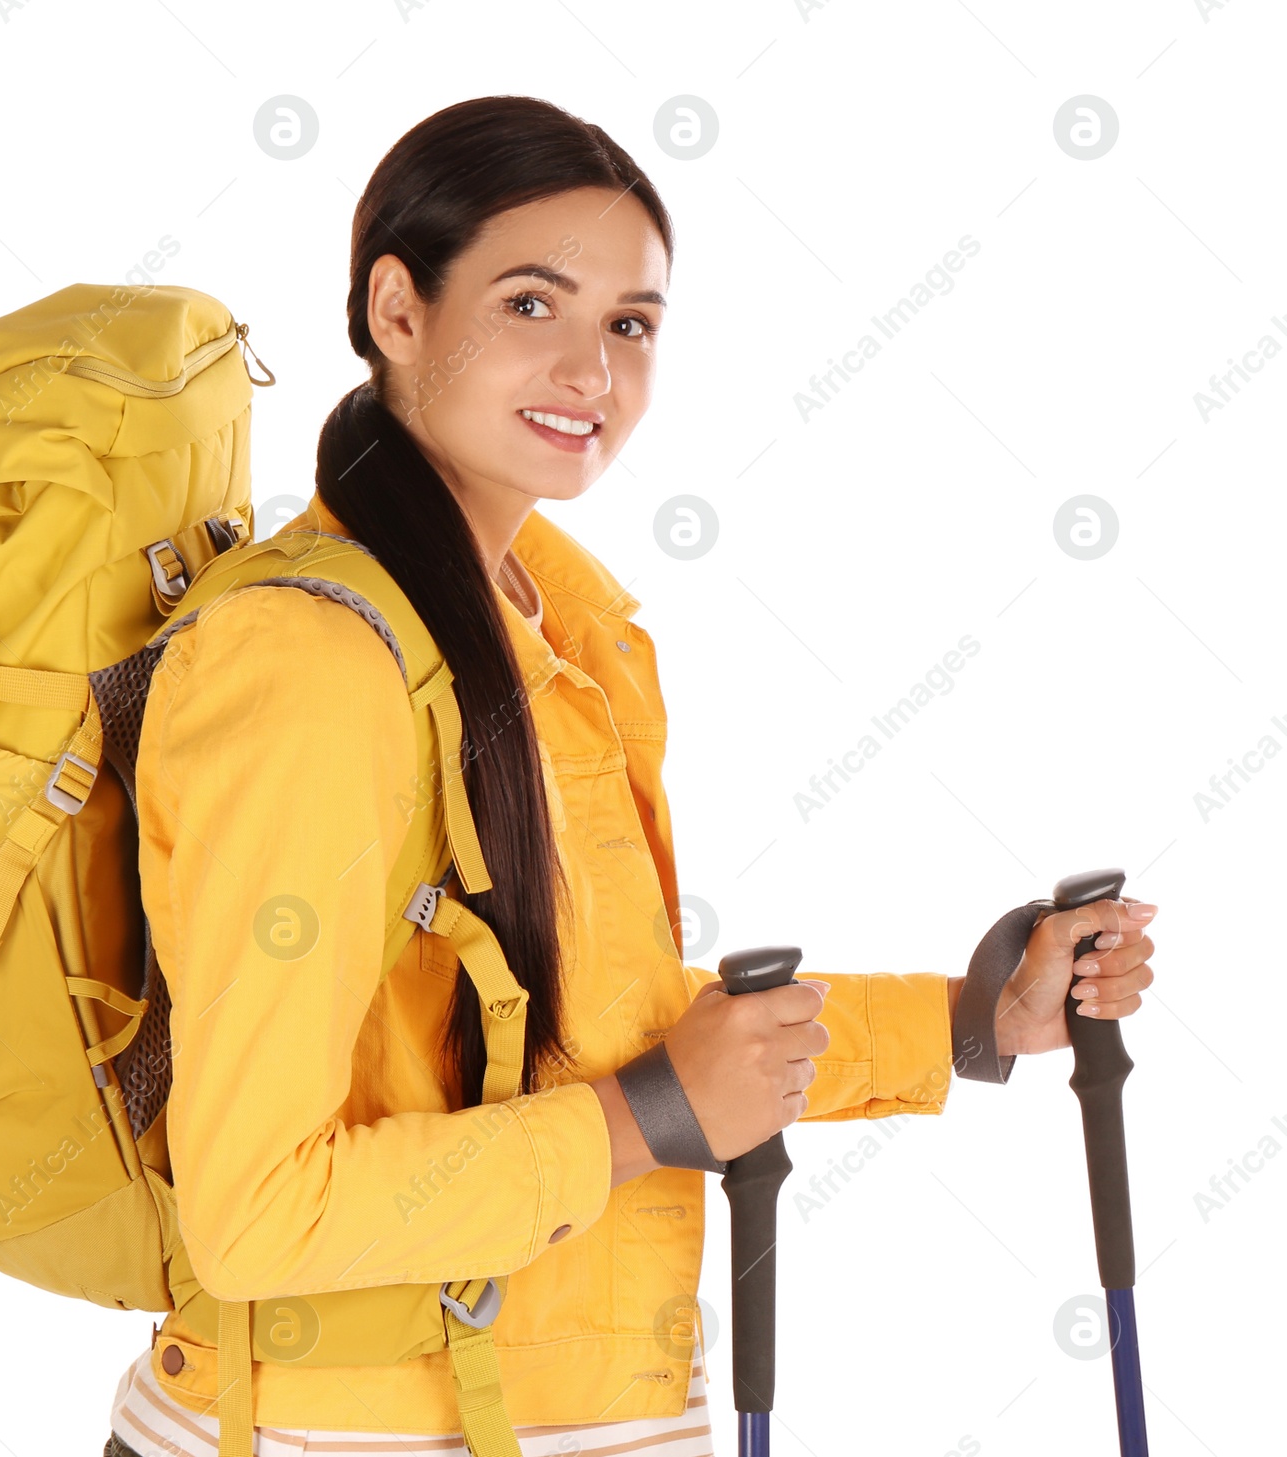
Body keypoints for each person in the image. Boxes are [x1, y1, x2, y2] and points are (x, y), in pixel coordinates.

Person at [106, 94, 1157, 1457]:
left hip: (555, 1412)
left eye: (631, 325)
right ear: (397, 309)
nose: (593, 372)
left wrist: (974, 1018)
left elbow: (609, 1034)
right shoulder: (307, 668)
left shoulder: (557, 623)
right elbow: (258, 1209)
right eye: (533, 304)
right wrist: (645, 1117)